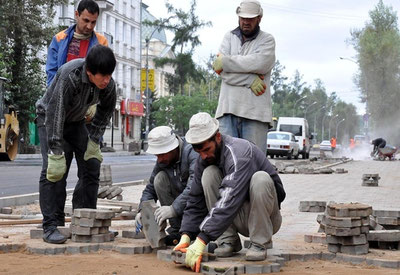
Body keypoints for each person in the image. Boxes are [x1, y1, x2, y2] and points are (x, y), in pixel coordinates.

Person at [173, 112, 285, 272]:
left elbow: (230, 197)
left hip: (266, 217)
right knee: (209, 174)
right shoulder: (203, 160)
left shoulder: (240, 153)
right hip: (235, 216)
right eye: (199, 153)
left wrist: (202, 239)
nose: (203, 156)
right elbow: (195, 200)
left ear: (217, 137)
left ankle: (259, 243)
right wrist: (186, 235)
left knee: (260, 178)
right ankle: (228, 240)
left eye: (206, 150)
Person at [35, 45, 116, 244]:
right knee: (54, 171)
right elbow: (55, 113)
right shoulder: (70, 76)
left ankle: (85, 220)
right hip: (49, 119)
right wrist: (55, 149)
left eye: (109, 75)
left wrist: (94, 141)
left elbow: (105, 113)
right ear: (89, 72)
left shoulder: (108, 86)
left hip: (76, 122)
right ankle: (51, 225)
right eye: (102, 76)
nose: (107, 80)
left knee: (92, 164)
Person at [212, 0, 275, 154]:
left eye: (250, 18)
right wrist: (250, 79)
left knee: (254, 163)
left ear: (259, 18)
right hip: (227, 110)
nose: (246, 22)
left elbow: (261, 63)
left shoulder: (267, 40)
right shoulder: (228, 37)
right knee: (227, 162)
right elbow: (222, 72)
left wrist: (226, 62)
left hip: (255, 114)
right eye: (243, 18)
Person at [135, 126, 198, 245]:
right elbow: (150, 189)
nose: (159, 159)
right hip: (181, 204)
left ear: (173, 148)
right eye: (157, 155)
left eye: (162, 154)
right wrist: (142, 210)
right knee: (159, 179)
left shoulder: (191, 152)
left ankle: (198, 230)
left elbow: (194, 186)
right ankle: (177, 230)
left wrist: (173, 209)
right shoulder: (163, 160)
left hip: (197, 207)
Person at [46, 0, 108, 86]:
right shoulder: (59, 39)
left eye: (93, 22)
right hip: (63, 92)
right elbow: (51, 73)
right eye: (86, 20)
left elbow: (103, 74)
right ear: (76, 15)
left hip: (89, 94)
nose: (89, 26)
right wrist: (54, 96)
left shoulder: (102, 42)